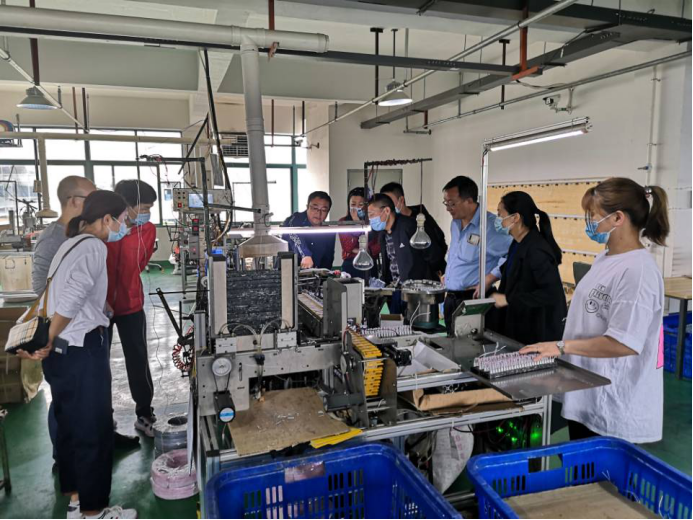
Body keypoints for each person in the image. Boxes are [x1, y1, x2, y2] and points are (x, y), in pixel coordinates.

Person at [521, 178, 670, 445]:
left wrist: (561, 347)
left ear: (618, 218)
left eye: (593, 215)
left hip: (614, 405)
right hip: (587, 393)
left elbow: (624, 342)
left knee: (599, 472)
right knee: (580, 465)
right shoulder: (605, 258)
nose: (589, 223)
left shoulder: (638, 271)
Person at [18, 190, 138, 520]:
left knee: (70, 426)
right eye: (122, 220)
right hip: (81, 351)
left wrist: (51, 338)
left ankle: (76, 503)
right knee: (93, 430)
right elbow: (71, 298)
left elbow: (60, 293)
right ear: (106, 219)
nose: (123, 226)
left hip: (63, 355)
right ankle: (94, 512)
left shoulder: (70, 244)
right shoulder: (94, 247)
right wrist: (48, 337)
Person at [106, 180, 158, 438]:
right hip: (99, 308)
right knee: (98, 363)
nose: (147, 213)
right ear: (126, 205)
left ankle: (145, 413)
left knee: (137, 359)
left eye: (150, 208)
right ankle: (104, 417)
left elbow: (140, 263)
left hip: (131, 303)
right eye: (144, 207)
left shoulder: (147, 230)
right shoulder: (104, 227)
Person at [489, 191, 567, 346]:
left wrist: (507, 299)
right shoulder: (518, 243)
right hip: (518, 321)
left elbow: (550, 293)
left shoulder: (537, 250)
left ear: (515, 217)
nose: (498, 220)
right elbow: (513, 270)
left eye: (500, 214)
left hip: (535, 330)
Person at [442, 176, 513, 335]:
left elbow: (512, 254)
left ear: (469, 201)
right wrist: (450, 274)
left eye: (452, 203)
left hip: (473, 299)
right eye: (446, 203)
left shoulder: (490, 226)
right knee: (450, 345)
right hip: (451, 298)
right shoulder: (455, 223)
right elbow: (458, 254)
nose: (448, 208)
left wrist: (489, 278)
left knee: (470, 346)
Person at [368, 194, 441, 315]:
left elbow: (434, 254)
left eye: (371, 214)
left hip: (418, 293)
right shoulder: (383, 234)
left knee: (417, 325)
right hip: (397, 291)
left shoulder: (409, 226)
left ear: (386, 211)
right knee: (396, 324)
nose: (370, 219)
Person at [380, 182, 448, 280]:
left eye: (390, 202)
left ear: (401, 200)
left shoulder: (420, 221)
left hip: (424, 283)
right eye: (384, 203)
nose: (387, 207)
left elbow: (437, 251)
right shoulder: (387, 227)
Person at [282, 191, 336, 270]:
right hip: (287, 272)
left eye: (324, 210)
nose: (318, 213)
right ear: (307, 206)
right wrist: (305, 255)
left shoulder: (328, 232)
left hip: (314, 275)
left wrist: (325, 273)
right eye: (315, 208)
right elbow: (294, 234)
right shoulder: (295, 220)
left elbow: (328, 259)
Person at [338, 187, 381, 279]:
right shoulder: (343, 222)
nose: (357, 208)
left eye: (361, 204)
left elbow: (378, 245)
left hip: (370, 264)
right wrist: (357, 223)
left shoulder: (374, 221)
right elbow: (347, 247)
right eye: (353, 204)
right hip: (350, 265)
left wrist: (365, 250)